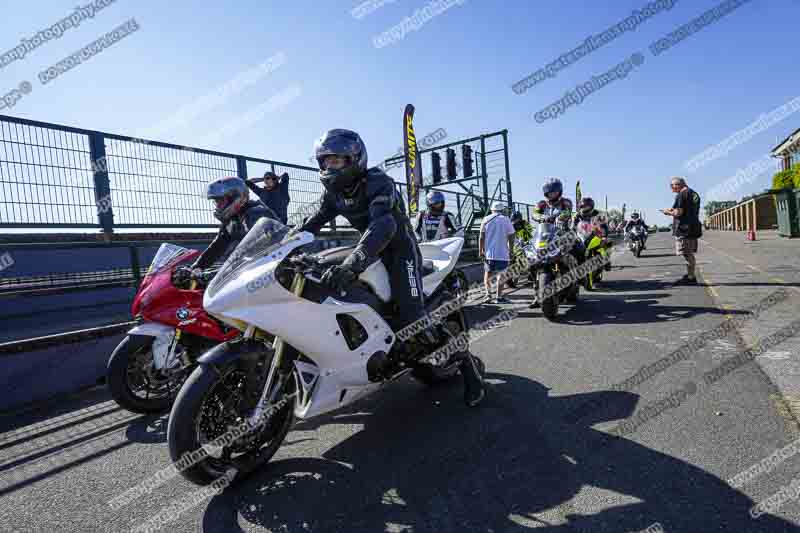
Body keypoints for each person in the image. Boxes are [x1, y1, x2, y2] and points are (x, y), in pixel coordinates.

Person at [298, 128, 485, 407]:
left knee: (413, 320)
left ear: (354, 160)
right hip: (369, 249)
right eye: (325, 161)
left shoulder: (378, 182)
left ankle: (470, 372)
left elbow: (383, 225)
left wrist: (352, 264)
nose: (329, 166)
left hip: (399, 251)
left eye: (336, 160)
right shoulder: (333, 192)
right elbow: (311, 224)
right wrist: (285, 245)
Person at [175, 176, 279, 284]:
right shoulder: (232, 219)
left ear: (236, 197)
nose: (218, 206)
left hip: (274, 269)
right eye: (216, 202)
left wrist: (220, 273)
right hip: (258, 271)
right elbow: (217, 246)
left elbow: (257, 250)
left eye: (221, 201)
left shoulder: (256, 213)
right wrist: (196, 268)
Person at [661, 176, 702, 285]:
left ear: (678, 185)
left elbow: (678, 212)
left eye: (672, 185)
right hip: (693, 227)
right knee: (689, 253)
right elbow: (688, 209)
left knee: (687, 254)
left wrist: (667, 212)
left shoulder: (681, 194)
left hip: (684, 228)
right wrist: (672, 209)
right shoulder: (693, 193)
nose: (671, 188)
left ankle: (691, 277)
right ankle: (690, 275)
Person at [479, 201, 516, 303]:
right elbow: (512, 235)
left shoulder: (486, 219)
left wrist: (480, 250)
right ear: (502, 210)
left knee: (488, 273)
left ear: (492, 210)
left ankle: (488, 295)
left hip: (489, 254)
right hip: (503, 253)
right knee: (502, 275)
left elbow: (481, 237)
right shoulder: (506, 220)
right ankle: (499, 297)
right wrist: (511, 250)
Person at [506, 211, 533, 289]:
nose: (514, 222)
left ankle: (530, 277)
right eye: (513, 220)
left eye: (516, 220)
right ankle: (509, 282)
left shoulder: (525, 224)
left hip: (523, 245)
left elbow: (530, 232)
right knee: (509, 264)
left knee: (523, 263)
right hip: (512, 245)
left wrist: (527, 239)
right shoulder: (510, 225)